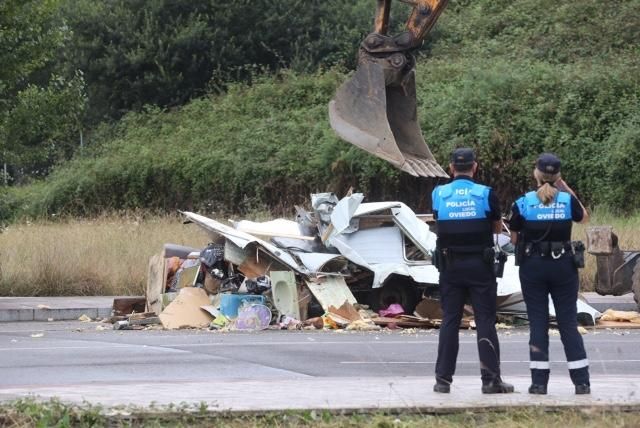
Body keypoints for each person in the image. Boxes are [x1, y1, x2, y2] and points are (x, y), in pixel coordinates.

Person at [431, 148, 514, 394]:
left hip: (450, 266)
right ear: (475, 167)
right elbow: (497, 229)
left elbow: (438, 222)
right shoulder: (485, 194)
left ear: (451, 168)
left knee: (450, 320)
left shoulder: (438, 193)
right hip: (480, 265)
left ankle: (442, 380)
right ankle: (490, 380)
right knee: (485, 321)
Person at [509, 153, 590, 395]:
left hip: (533, 267)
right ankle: (581, 382)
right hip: (563, 266)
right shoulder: (566, 200)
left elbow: (514, 238)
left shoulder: (522, 202)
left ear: (536, 173)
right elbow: (584, 217)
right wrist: (562, 185)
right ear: (558, 175)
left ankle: (538, 384)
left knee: (538, 324)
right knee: (568, 324)